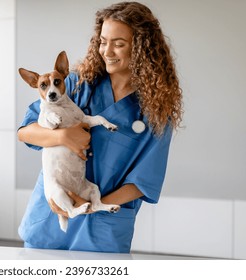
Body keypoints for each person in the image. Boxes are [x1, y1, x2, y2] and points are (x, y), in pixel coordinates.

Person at [17, 1, 183, 253]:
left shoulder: (156, 111)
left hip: (102, 229)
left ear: (141, 47)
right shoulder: (73, 85)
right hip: (51, 218)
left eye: (119, 43)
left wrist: (92, 203)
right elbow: (25, 132)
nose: (107, 51)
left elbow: (143, 181)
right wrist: (64, 136)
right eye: (103, 41)